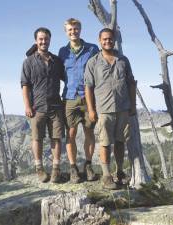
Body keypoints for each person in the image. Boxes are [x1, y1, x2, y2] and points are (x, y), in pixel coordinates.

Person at [84, 28, 136, 189]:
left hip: (123, 108)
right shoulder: (93, 62)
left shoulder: (123, 60)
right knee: (105, 143)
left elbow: (131, 83)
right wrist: (91, 110)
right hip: (104, 109)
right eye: (104, 39)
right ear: (100, 40)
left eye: (110, 39)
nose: (108, 41)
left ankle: (119, 172)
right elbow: (88, 87)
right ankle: (106, 175)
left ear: (114, 40)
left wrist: (133, 105)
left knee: (120, 142)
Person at [21, 27, 65, 183]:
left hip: (55, 106)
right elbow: (25, 85)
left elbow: (67, 79)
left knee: (56, 137)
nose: (43, 41)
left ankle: (55, 169)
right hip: (37, 107)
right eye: (40, 39)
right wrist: (27, 106)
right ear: (36, 41)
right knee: (37, 138)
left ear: (50, 40)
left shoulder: (56, 61)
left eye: (46, 39)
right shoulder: (29, 62)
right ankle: (39, 169)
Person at [58, 18, 99, 183]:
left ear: (80, 30)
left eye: (75, 29)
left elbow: (98, 70)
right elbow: (60, 73)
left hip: (88, 97)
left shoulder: (92, 49)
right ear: (66, 32)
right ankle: (73, 167)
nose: (73, 32)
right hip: (69, 97)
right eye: (70, 30)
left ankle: (88, 165)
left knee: (89, 132)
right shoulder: (62, 52)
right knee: (71, 133)